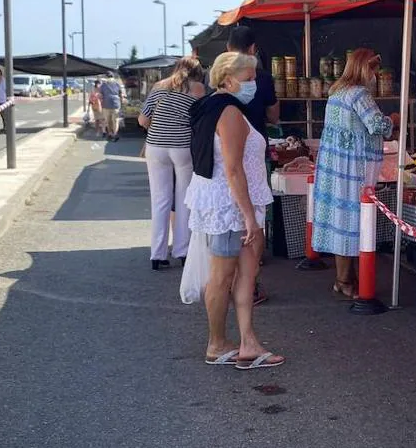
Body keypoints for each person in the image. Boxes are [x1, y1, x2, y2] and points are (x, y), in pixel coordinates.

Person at [184, 52, 283, 369]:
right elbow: (233, 169)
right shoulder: (227, 112)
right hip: (231, 207)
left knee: (245, 275)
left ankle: (248, 342)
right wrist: (250, 218)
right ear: (227, 79)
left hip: (234, 204)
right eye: (249, 78)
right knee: (223, 276)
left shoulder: (215, 108)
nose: (254, 84)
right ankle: (216, 343)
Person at [311, 48, 398, 298]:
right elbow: (376, 124)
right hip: (353, 168)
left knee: (340, 222)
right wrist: (392, 118)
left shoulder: (336, 92)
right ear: (365, 69)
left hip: (333, 165)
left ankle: (343, 278)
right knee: (353, 221)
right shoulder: (360, 94)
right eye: (374, 70)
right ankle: (348, 281)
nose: (376, 75)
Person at [139, 57, 206, 271]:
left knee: (160, 200)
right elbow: (200, 120)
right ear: (198, 72)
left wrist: (159, 126)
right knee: (184, 198)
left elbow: (142, 119)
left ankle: (157, 254)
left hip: (155, 147)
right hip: (181, 147)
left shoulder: (159, 86)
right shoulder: (198, 89)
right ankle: (182, 251)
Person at [225, 26, 279, 137]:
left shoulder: (215, 77)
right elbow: (273, 117)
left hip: (224, 144)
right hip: (256, 143)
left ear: (228, 47)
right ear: (252, 49)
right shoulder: (263, 78)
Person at [98, 74, 124, 141]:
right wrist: (121, 104)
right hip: (114, 105)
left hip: (108, 105)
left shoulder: (104, 85)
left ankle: (112, 134)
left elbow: (100, 96)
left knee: (110, 120)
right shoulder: (116, 84)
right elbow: (121, 95)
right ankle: (113, 134)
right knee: (113, 121)